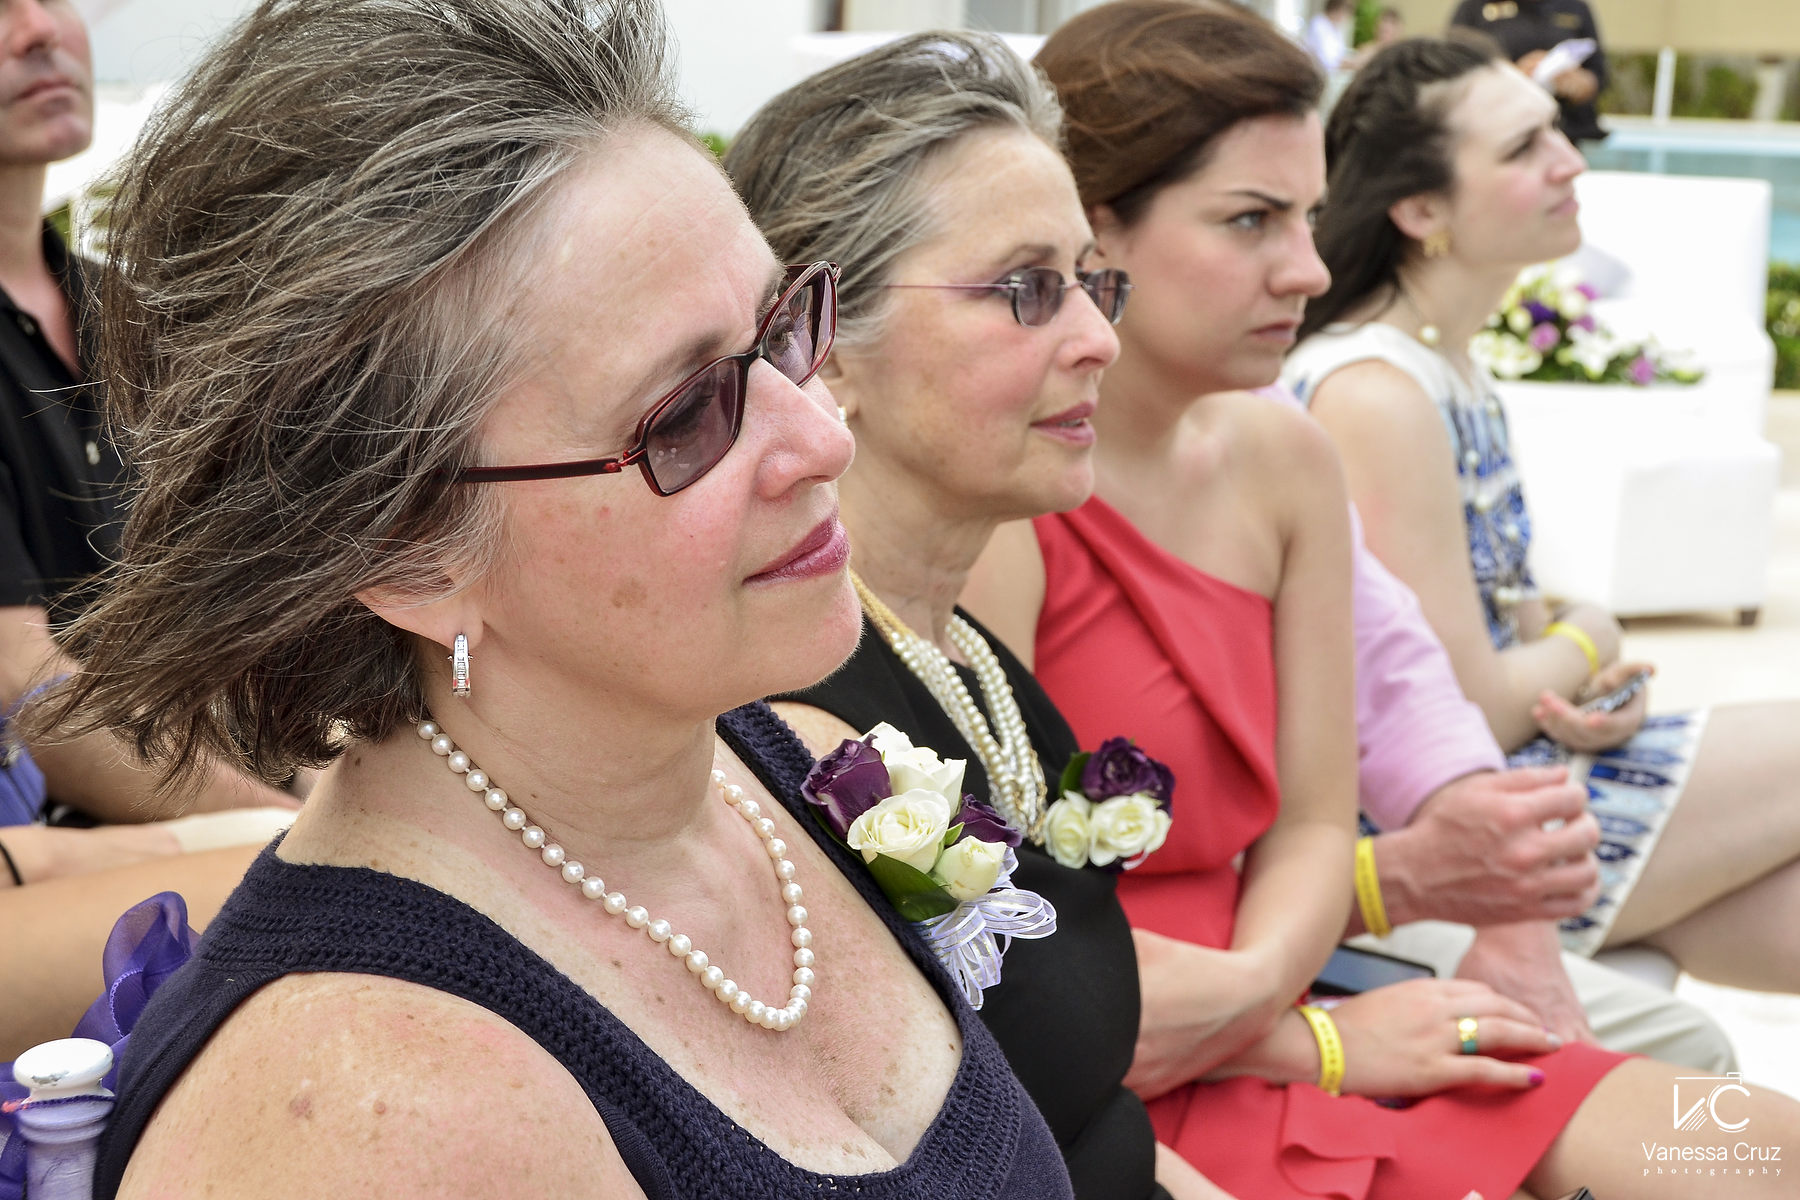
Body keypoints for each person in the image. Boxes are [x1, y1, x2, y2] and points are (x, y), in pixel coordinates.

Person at [24, 2, 1073, 1196]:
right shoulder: (380, 1118)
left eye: (783, 332)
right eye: (686, 415)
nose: (822, 436)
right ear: (412, 551)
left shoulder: (801, 775)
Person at [962, 3, 1800, 1196]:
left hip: (1291, 987)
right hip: (1137, 1059)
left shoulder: (1281, 455)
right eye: (1251, 221)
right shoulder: (1003, 508)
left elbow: (1333, 796)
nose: (1308, 268)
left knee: (1757, 1147)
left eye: (1304, 217)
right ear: (1092, 234)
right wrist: (1316, 1034)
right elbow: (1003, 953)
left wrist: (1289, 991)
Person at [727, 32, 1225, 1200]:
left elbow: (1090, 1116)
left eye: (1092, 283)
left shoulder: (970, 660)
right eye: (1026, 290)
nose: (1101, 338)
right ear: (823, 341)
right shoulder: (790, 738)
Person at [1287, 33, 1800, 1000]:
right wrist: (1590, 631)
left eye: (1555, 133)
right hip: (1432, 824)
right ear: (1420, 209)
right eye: (1523, 149)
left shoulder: (1444, 367)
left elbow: (1492, 600)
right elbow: (1464, 699)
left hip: (1516, 766)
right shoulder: (1374, 393)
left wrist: (1587, 676)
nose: (1571, 159)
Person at [0, 0, 293, 1060]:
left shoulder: (125, 314)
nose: (41, 30)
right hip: (72, 890)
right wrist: (286, 814)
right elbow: (27, 687)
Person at [1448, 0, 1608, 143]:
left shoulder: (1575, 7)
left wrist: (1580, 82)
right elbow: (1454, 71)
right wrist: (1512, 75)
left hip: (1566, 128)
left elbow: (1598, 74)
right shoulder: (1475, 7)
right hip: (1498, 128)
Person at [1304, 0, 1353, 74]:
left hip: (1332, 73)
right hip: (1320, 72)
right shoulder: (1319, 24)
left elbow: (1339, 55)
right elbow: (1325, 60)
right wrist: (1347, 64)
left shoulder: (1335, 28)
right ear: (1337, 9)